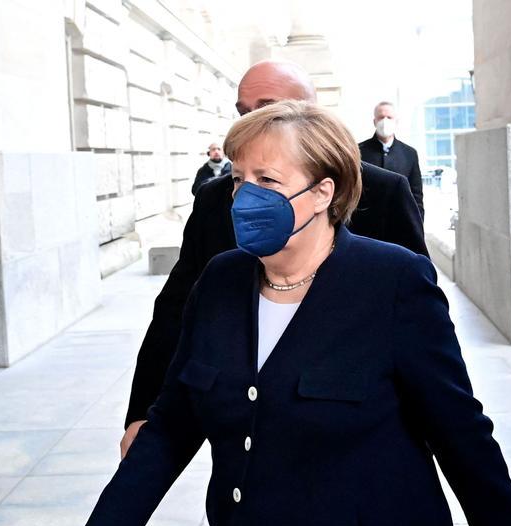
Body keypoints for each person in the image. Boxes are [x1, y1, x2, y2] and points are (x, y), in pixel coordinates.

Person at [48, 100, 511, 526]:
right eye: (240, 178)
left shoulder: (391, 281)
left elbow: (458, 427)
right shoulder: (222, 281)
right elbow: (173, 421)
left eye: (268, 180)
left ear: (322, 193)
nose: (245, 197)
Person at [120, 59, 427, 457]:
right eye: (244, 112)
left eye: (268, 107)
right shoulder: (216, 200)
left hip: (354, 423)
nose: (254, 121)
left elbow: (419, 317)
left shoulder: (384, 193)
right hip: (250, 430)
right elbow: (176, 308)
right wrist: (143, 411)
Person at [358, 101, 425, 217]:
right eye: (381, 117)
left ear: (396, 122)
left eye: (389, 117)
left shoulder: (409, 154)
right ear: (374, 121)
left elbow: (416, 195)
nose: (385, 121)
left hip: (401, 221)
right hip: (368, 223)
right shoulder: (359, 151)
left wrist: (418, 225)